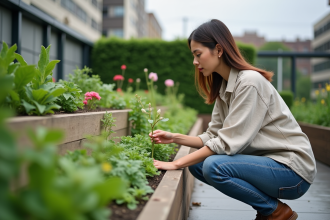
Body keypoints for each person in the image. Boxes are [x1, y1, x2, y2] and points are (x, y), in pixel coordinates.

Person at [149, 19, 316, 220]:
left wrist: (176, 164)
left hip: (292, 171)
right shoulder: (225, 87)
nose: (195, 62)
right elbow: (213, 135)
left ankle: (275, 212)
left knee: (213, 166)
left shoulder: (249, 83)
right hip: (269, 165)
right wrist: (175, 137)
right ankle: (269, 209)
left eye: (198, 54)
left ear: (218, 50)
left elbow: (227, 143)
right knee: (198, 165)